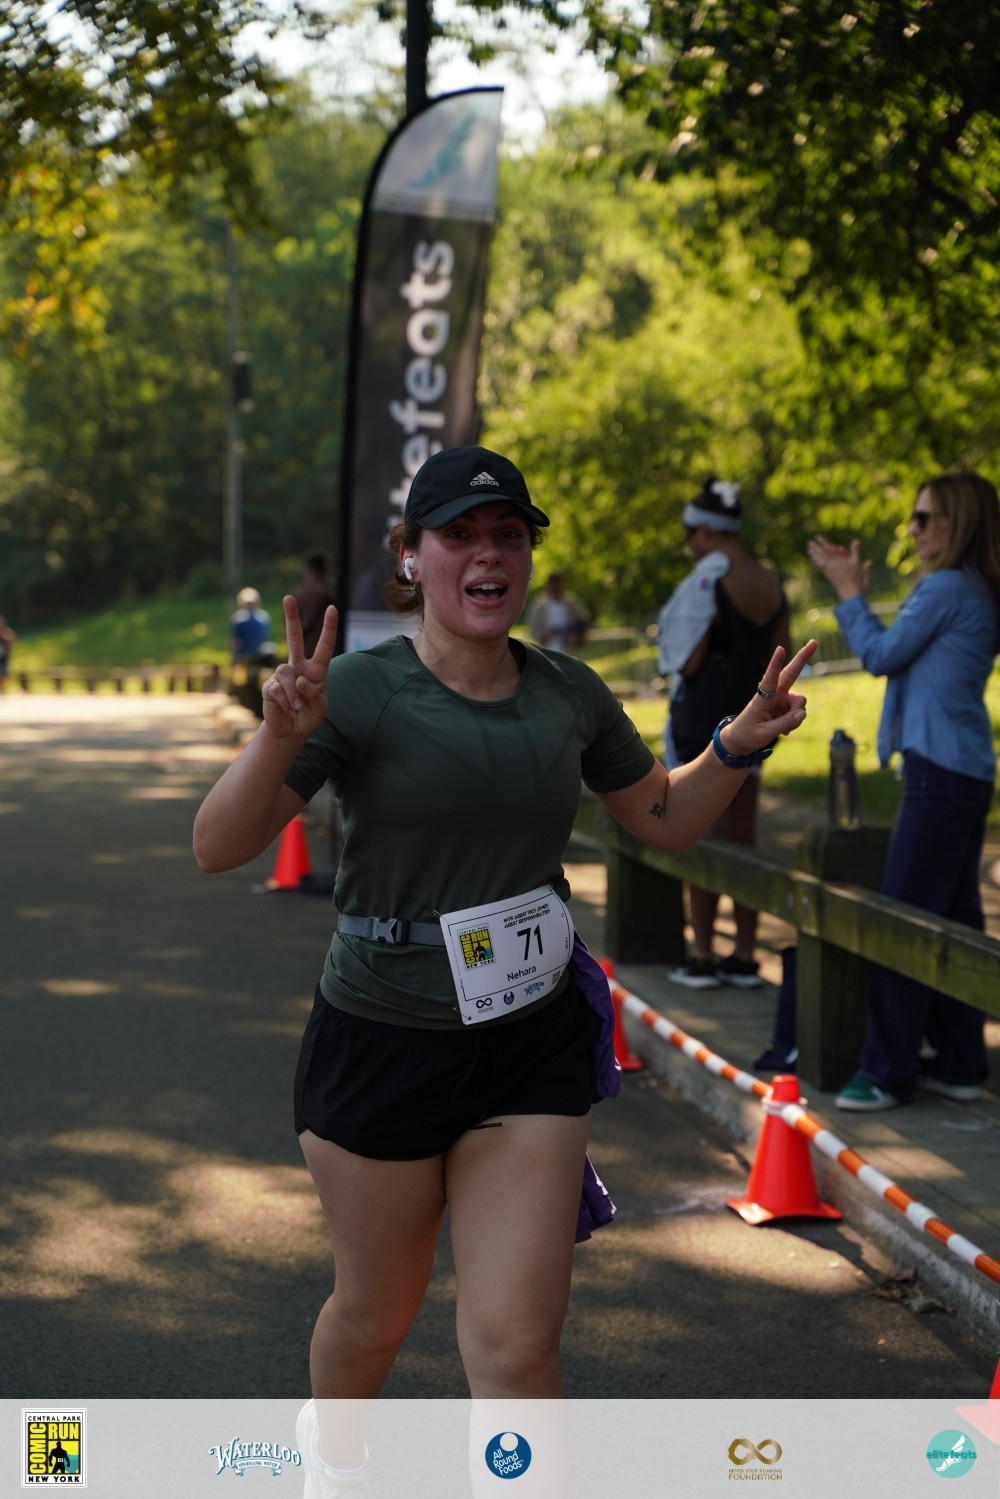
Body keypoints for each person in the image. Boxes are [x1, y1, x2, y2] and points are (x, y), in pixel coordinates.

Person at [193, 444, 815, 1498]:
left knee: (517, 1346)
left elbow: (662, 816)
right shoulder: (354, 690)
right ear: (411, 556)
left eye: (508, 535)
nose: (488, 554)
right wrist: (277, 739)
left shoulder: (568, 693)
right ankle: (334, 1456)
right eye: (459, 535)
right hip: (382, 1037)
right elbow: (218, 845)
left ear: (525, 556)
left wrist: (736, 743)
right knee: (375, 1313)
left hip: (527, 1041)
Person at [808, 471, 1000, 1112]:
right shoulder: (972, 587)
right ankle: (962, 1061)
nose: (912, 530)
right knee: (953, 919)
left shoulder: (946, 588)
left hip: (940, 775)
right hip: (963, 770)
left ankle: (886, 1071)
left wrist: (848, 594)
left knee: (901, 920)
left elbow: (880, 654)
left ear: (959, 523)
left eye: (924, 518)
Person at [656, 477, 790, 989]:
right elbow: (780, 654)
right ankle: (746, 954)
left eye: (691, 533)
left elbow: (688, 662)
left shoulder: (710, 580)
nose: (689, 544)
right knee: (743, 833)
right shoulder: (770, 581)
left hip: (705, 723)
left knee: (701, 831)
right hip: (753, 717)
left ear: (710, 531)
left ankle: (704, 953)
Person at [527, 571, 588, 653]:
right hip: (546, 654)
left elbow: (582, 627)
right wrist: (548, 634)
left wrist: (575, 636)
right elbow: (533, 632)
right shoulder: (539, 607)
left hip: (568, 654)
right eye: (554, 587)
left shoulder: (573, 605)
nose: (556, 589)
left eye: (558, 586)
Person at [295, 553, 338, 658]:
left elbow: (292, 630)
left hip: (305, 654)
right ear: (325, 570)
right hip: (333, 655)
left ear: (307, 569)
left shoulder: (300, 594)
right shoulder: (333, 593)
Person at [229, 587, 275, 664]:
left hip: (243, 654)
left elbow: (235, 641)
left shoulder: (237, 618)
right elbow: (266, 637)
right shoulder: (264, 617)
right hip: (261, 654)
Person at [0, 615, 16, 693]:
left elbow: (12, 641)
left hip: (3, 656)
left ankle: (1, 688)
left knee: (3, 674)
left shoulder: (7, 632)